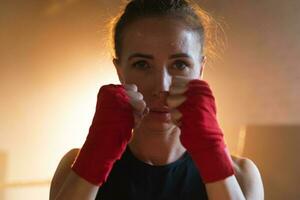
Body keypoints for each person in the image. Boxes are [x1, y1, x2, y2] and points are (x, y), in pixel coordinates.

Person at [50, 0, 264, 199]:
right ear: (120, 72)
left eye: (179, 64)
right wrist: (94, 160)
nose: (161, 87)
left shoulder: (241, 176)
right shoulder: (75, 168)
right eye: (142, 64)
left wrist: (213, 158)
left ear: (200, 70)